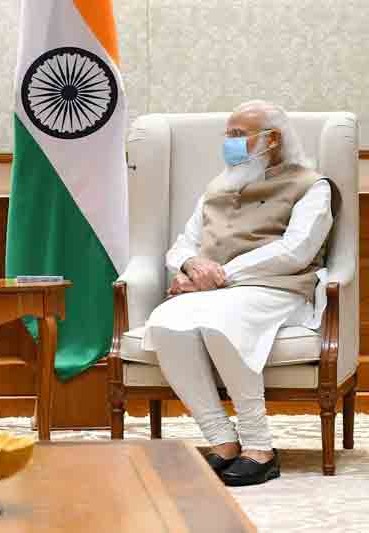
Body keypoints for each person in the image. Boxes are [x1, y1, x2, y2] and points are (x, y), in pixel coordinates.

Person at [142, 100, 337, 486]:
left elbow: (295, 251)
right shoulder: (218, 186)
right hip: (213, 290)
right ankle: (222, 440)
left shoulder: (312, 185)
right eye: (227, 135)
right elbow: (184, 244)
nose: (228, 143)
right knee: (164, 322)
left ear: (272, 139)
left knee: (222, 322)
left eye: (237, 135)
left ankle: (260, 448)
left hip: (276, 287)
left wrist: (219, 275)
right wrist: (191, 265)